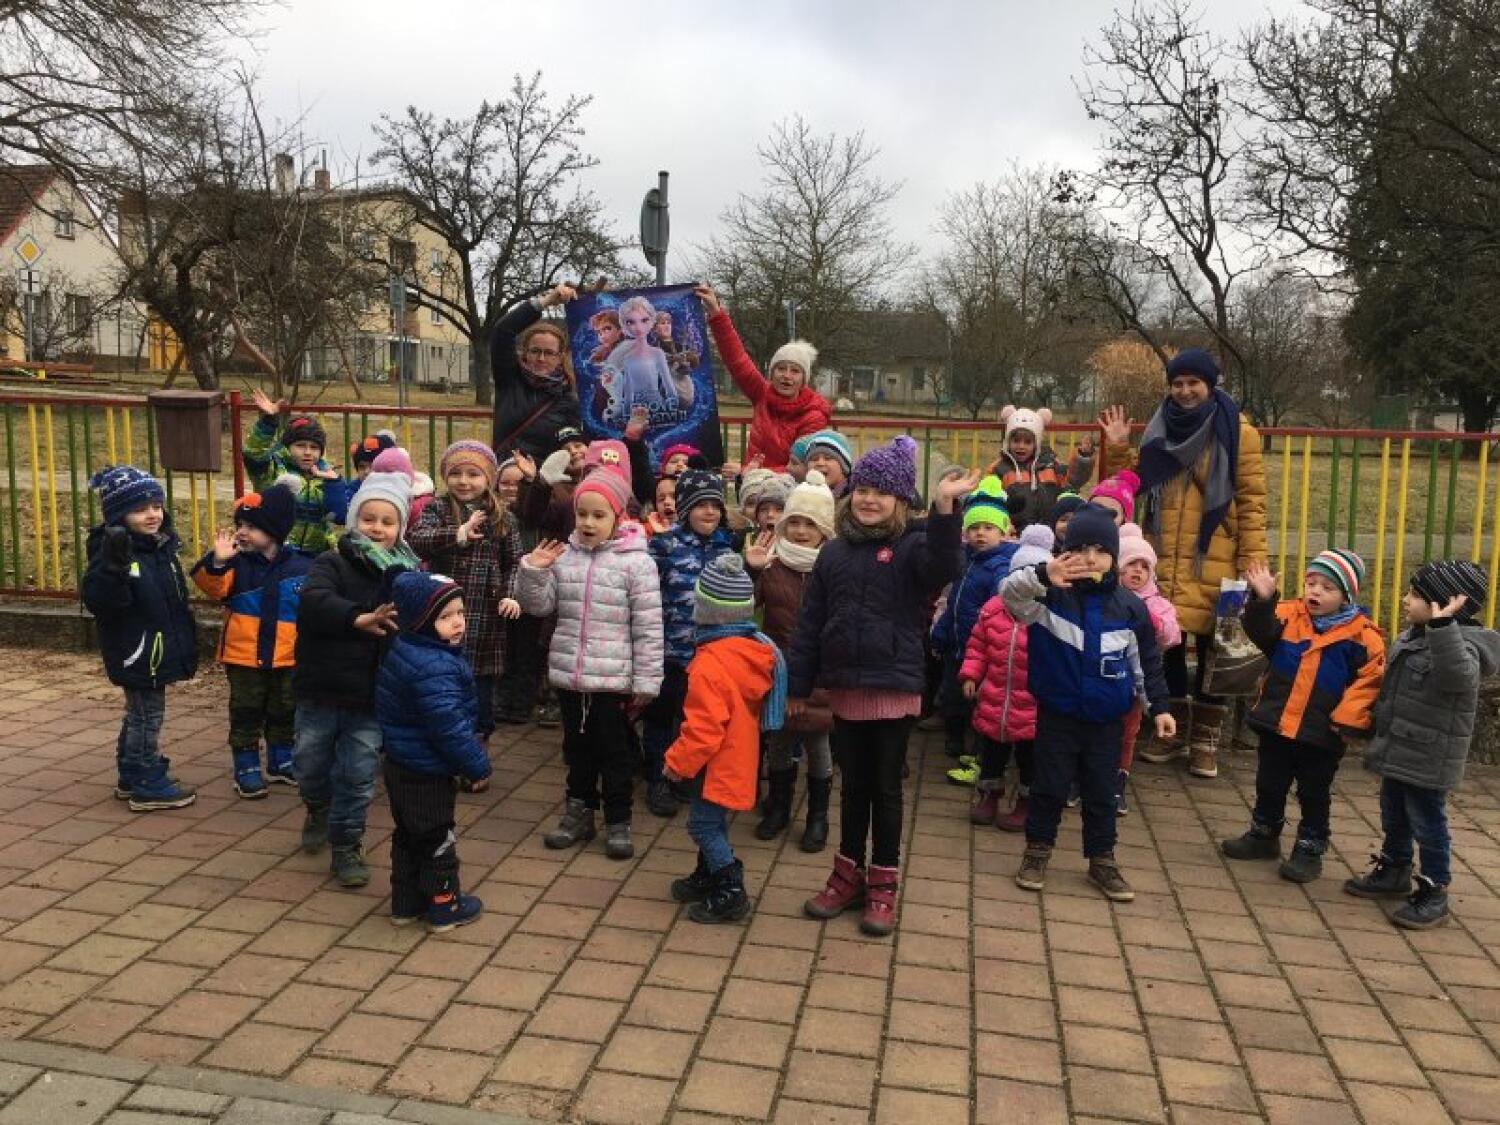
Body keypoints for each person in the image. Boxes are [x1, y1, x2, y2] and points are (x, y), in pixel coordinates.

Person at [794, 436, 978, 937]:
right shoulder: (833, 553)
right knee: (852, 787)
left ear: (901, 500)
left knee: (885, 789)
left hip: (894, 688)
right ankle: (847, 874)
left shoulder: (913, 547)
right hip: (846, 688)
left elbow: (946, 567)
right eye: (863, 489)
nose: (869, 499)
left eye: (882, 492)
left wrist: (945, 511)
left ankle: (883, 883)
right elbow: (810, 623)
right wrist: (799, 685)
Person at [1101, 349, 1268, 779]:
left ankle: (1205, 741)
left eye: (1194, 383)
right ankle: (1170, 730)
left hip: (1217, 552)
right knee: (1167, 641)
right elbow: (1131, 483)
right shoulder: (1160, 427)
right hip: (1164, 551)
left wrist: (1253, 561)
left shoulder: (1239, 432)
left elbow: (1252, 501)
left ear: (1210, 384)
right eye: (1177, 384)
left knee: (1216, 647)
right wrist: (1117, 448)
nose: (1185, 391)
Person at [1003, 503, 1175, 903]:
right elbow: (1010, 596)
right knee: (1049, 787)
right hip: (1058, 715)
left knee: (1102, 793)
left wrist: (1160, 707)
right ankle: (1037, 851)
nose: (1091, 558)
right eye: (1081, 549)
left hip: (1106, 721)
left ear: (1114, 557)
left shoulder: (1130, 607)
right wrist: (1043, 574)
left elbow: (1146, 663)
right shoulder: (1049, 596)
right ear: (1065, 553)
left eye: (1101, 550)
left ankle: (1102, 858)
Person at [517, 460, 663, 860]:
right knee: (576, 749)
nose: (588, 522)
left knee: (614, 754)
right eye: (582, 514)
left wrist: (647, 681)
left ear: (618, 517)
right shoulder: (565, 557)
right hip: (570, 676)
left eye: (599, 515)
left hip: (612, 681)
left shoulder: (637, 564)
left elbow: (649, 627)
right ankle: (579, 812)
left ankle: (618, 820)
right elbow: (539, 606)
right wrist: (533, 572)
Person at [1346, 561, 1498, 929]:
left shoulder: (1465, 646)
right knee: (1394, 810)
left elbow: (1458, 677)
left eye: (1415, 595)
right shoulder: (1413, 636)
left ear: (1443, 606)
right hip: (1400, 747)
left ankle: (1434, 890)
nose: (1404, 599)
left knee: (1428, 823)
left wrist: (1442, 628)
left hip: (1430, 755)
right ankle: (1395, 867)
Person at [1222, 551, 1386, 883]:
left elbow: (1369, 683)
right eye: (1311, 583)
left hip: (1321, 732)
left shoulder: (1363, 637)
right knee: (1269, 783)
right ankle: (1264, 834)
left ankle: (1310, 847)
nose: (1315, 592)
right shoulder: (1288, 615)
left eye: (1327, 587)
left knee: (1313, 792)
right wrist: (1263, 599)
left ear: (1346, 596)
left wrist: (1348, 722)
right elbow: (1259, 630)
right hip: (1278, 723)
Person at [294, 471, 417, 888]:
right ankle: (317, 805)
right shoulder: (331, 563)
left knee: (358, 774)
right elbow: (313, 601)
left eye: (387, 521)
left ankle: (347, 843)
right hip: (321, 690)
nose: (377, 528)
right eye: (368, 519)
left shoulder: (405, 575)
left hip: (370, 698)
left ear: (400, 528)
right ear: (353, 521)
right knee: (309, 764)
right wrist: (356, 618)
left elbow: (420, 622)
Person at [664, 556, 786, 924]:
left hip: (717, 761)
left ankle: (730, 885)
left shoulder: (710, 664)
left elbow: (703, 730)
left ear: (705, 611)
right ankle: (708, 875)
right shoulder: (748, 650)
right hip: (738, 755)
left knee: (702, 825)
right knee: (712, 820)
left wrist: (676, 763)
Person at [377, 571, 492, 932]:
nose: (458, 622)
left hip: (400, 763)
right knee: (437, 838)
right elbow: (449, 728)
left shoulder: (408, 649)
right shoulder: (435, 667)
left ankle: (405, 903)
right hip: (426, 770)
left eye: (460, 613)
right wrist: (476, 765)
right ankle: (445, 906)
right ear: (420, 621)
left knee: (408, 834)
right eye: (445, 616)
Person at [83, 466, 198, 812]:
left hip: (155, 647)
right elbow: (102, 602)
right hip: (139, 651)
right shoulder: (113, 553)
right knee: (147, 716)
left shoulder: (158, 547)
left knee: (139, 713)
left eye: (156, 506)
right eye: (140, 509)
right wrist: (114, 569)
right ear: (119, 515)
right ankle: (146, 779)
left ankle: (130, 772)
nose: (152, 515)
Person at [190, 484, 312, 798]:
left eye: (252, 527)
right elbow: (212, 587)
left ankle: (281, 758)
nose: (242, 532)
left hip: (287, 654)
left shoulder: (302, 566)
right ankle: (245, 765)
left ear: (276, 530)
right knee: (246, 710)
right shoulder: (234, 563)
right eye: (240, 525)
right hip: (243, 656)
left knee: (285, 707)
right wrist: (217, 562)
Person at [744, 470, 837, 850]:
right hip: (778, 671)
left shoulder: (833, 569)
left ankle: (817, 816)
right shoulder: (773, 565)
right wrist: (751, 570)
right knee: (779, 742)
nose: (800, 531)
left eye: (810, 524)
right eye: (794, 522)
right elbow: (744, 607)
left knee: (818, 745)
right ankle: (779, 807)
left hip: (820, 673)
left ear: (825, 529)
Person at [408, 440, 524, 746]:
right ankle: (441, 735)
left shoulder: (503, 517)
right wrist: (457, 534)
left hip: (486, 614)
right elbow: (418, 540)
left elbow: (514, 562)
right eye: (456, 473)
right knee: (443, 676)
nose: (464, 481)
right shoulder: (437, 508)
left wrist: (510, 594)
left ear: (489, 478)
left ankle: (477, 740)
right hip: (444, 610)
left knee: (479, 684)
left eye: (473, 474)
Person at [644, 467, 737, 817]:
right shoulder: (664, 545)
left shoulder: (727, 548)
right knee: (660, 719)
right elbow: (648, 597)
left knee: (695, 719)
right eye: (700, 504)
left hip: (709, 658)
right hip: (670, 654)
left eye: (715, 504)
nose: (709, 511)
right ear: (684, 508)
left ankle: (684, 773)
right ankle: (657, 779)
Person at [957, 524, 1054, 830]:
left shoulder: (1049, 615)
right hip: (995, 698)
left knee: (1029, 758)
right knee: (992, 753)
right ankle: (989, 794)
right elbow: (978, 646)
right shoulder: (993, 609)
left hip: (1032, 705)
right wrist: (971, 675)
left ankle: (1026, 801)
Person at [695, 283, 832, 470]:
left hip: (786, 485)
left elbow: (800, 467)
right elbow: (737, 359)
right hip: (751, 481)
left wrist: (749, 472)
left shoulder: (813, 415)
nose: (787, 376)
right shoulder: (762, 394)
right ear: (772, 373)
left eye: (795, 371)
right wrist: (715, 312)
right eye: (781, 368)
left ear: (803, 379)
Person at [931, 476, 1016, 764]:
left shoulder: (1001, 566)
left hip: (983, 650)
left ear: (1003, 531)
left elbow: (998, 607)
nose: (980, 533)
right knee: (953, 697)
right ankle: (954, 737)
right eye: (974, 527)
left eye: (988, 528)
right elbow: (953, 602)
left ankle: (979, 747)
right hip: (956, 645)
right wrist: (941, 633)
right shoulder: (963, 560)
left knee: (981, 701)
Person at [1113, 524, 1182, 815]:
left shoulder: (1157, 604)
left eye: (1144, 566)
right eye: (1131, 564)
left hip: (1135, 683)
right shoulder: (1108, 598)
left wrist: (1154, 620)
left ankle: (1118, 781)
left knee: (1127, 733)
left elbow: (1172, 636)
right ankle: (1083, 779)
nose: (1138, 571)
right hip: (1105, 678)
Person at [242, 391, 342, 554]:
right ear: (287, 447)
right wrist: (268, 422)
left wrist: (336, 484)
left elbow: (338, 515)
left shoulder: (326, 475)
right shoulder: (273, 470)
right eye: (300, 445)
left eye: (314, 447)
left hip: (316, 555)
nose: (308, 452)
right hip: (277, 553)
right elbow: (253, 454)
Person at [491, 283, 582, 461]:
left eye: (549, 353)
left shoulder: (568, 398)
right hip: (505, 472)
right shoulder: (510, 379)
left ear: (560, 357)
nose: (541, 358)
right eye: (535, 351)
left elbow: (572, 443)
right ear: (525, 353)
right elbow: (503, 331)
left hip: (543, 475)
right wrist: (547, 301)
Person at [992, 406, 1095, 530]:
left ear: (1036, 443)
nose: (1021, 446)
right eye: (1016, 441)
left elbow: (1073, 480)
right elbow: (991, 499)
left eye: (1028, 442)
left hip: (1050, 529)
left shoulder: (1050, 464)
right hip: (1015, 531)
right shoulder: (1000, 468)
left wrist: (1083, 457)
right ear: (1008, 442)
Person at [803, 430, 853, 495]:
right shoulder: (803, 493)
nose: (820, 463)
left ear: (844, 466)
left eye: (827, 458)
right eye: (814, 459)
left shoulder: (853, 496)